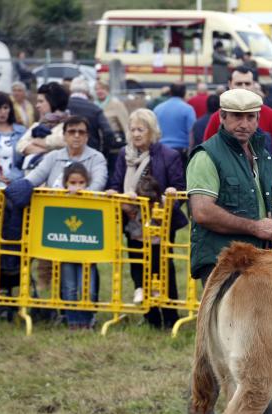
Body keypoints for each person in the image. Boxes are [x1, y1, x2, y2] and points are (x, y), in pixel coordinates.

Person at [182, 88, 272, 414]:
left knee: (247, 340)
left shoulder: (261, 150)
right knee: (234, 343)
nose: (244, 124)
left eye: (251, 117)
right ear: (222, 117)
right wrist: (254, 226)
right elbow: (201, 212)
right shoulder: (206, 156)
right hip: (219, 261)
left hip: (257, 258)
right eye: (237, 117)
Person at [106, 108, 185, 328]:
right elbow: (115, 181)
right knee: (138, 265)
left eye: (141, 129)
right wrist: (116, 193)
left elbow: (180, 189)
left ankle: (169, 317)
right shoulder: (124, 155)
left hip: (160, 222)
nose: (136, 134)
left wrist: (168, 199)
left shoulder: (169, 155)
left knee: (162, 266)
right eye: (132, 129)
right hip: (133, 220)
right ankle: (150, 317)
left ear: (152, 131)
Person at [202, 67, 272, 184]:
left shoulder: (270, 114)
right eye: (238, 83)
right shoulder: (217, 117)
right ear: (230, 85)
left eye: (247, 83)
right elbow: (206, 154)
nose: (243, 87)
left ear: (253, 85)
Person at [60, 163, 99, 330]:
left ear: (87, 183)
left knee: (87, 288)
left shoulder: (93, 200)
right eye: (73, 183)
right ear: (65, 184)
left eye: (81, 183)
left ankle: (87, 319)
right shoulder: (58, 199)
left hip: (87, 251)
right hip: (66, 250)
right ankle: (73, 321)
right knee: (69, 287)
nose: (77, 187)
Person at [25, 115, 108, 191]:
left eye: (81, 132)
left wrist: (78, 195)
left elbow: (99, 183)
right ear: (64, 135)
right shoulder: (53, 156)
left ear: (87, 137)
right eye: (72, 132)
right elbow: (33, 179)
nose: (76, 135)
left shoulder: (97, 157)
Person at [16, 82, 70, 165]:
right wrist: (46, 152)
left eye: (41, 101)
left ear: (53, 102)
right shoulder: (37, 125)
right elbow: (20, 146)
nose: (37, 106)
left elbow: (62, 141)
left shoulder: (69, 125)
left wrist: (34, 141)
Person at [67, 77, 117, 157]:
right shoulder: (95, 109)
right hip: (90, 154)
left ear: (71, 90)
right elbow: (108, 133)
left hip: (66, 152)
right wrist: (103, 153)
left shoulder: (62, 106)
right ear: (88, 92)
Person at [154, 83, 196, 164]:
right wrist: (191, 152)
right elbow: (192, 132)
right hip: (181, 150)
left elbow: (154, 131)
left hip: (161, 149)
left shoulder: (158, 109)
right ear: (184, 93)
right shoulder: (188, 109)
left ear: (170, 93)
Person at [94, 79, 129, 175]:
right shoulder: (93, 105)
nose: (99, 91)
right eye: (97, 89)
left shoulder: (116, 104)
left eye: (102, 89)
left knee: (114, 172)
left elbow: (125, 124)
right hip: (99, 146)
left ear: (107, 90)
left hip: (114, 147)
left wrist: (130, 144)